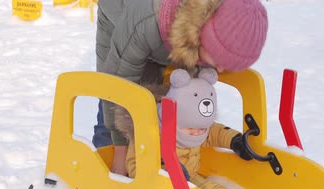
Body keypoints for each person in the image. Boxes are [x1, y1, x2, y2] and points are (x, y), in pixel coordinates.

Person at [92, 0, 269, 175]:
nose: (221, 69)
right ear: (204, 34)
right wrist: (119, 152)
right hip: (122, 23)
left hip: (168, 38)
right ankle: (103, 175)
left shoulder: (215, 22)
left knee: (163, 102)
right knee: (118, 110)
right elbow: (117, 85)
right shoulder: (145, 22)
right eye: (218, 58)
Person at [120, 68, 273, 189]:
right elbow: (134, 166)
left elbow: (214, 132)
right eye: (191, 129)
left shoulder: (196, 125)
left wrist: (235, 140)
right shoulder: (149, 132)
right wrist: (167, 174)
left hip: (189, 177)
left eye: (201, 129)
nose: (195, 133)